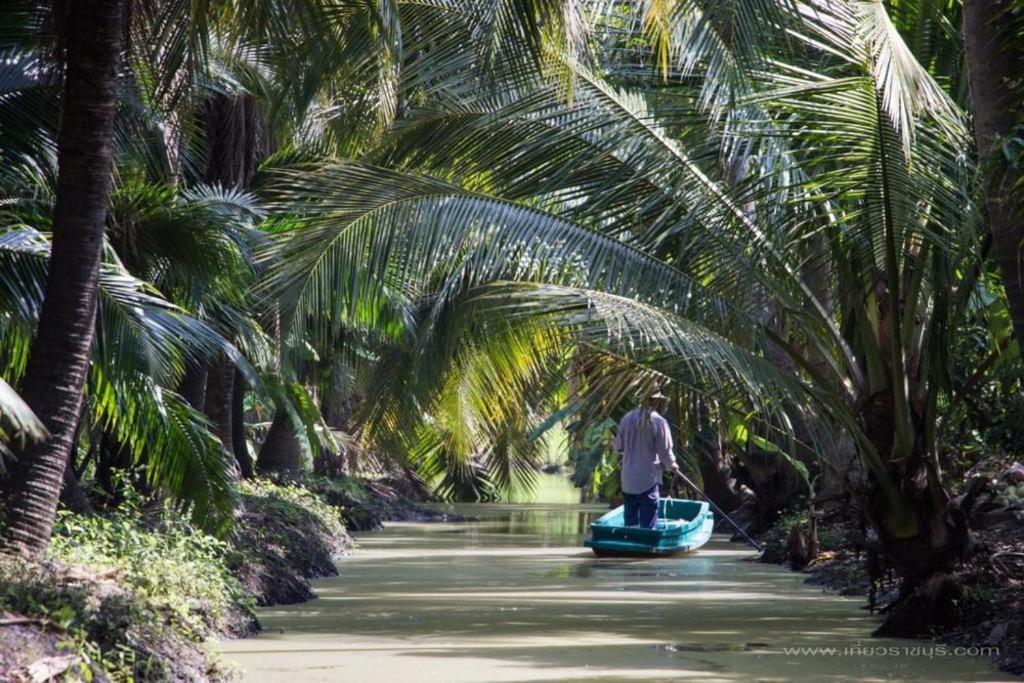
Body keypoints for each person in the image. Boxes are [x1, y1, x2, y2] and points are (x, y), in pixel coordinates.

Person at [612, 389, 680, 529]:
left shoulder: (626, 419)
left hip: (628, 480)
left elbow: (618, 446)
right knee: (648, 524)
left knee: (631, 523)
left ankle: (631, 542)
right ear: (654, 400)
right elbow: (665, 452)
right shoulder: (659, 422)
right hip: (647, 480)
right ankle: (646, 544)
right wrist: (672, 465)